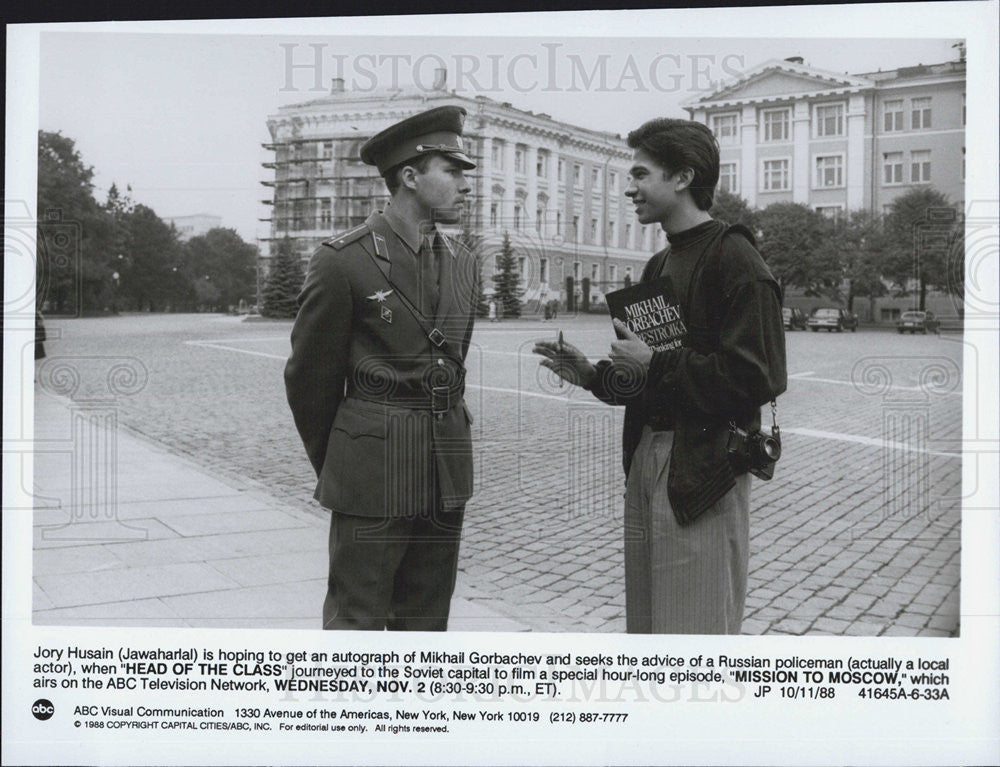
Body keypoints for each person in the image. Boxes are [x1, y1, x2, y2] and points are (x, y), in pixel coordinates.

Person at [534, 118, 786, 634]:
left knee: (693, 635)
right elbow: (651, 373)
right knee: (648, 629)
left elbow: (758, 375)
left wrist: (654, 363)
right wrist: (592, 375)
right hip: (649, 457)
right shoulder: (660, 263)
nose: (630, 187)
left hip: (706, 469)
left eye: (641, 174)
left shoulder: (735, 257)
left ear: (682, 177)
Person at [285, 105, 478, 630]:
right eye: (453, 170)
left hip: (445, 468)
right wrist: (348, 456)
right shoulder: (342, 260)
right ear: (410, 176)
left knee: (426, 621)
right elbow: (308, 379)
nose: (466, 183)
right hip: (372, 471)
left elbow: (452, 364)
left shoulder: (464, 261)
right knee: (358, 621)